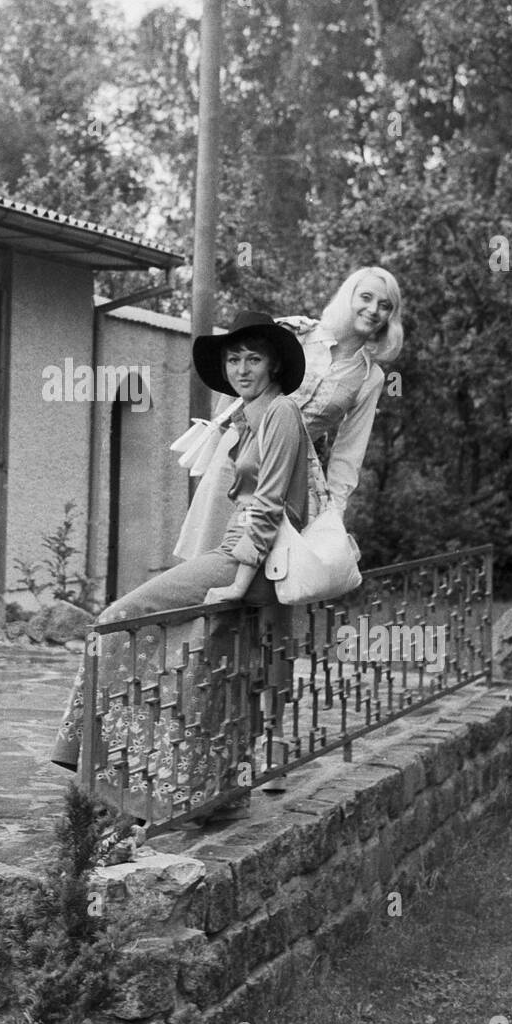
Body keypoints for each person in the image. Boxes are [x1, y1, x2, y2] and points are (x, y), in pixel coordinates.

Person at [50, 312, 309, 803]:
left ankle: (96, 759)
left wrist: (237, 583)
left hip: (250, 558)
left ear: (275, 365)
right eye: (234, 359)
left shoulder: (280, 413)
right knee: (209, 665)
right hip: (235, 549)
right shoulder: (251, 415)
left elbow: (270, 505)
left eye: (254, 358)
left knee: (117, 619)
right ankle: (195, 788)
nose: (242, 369)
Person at [174, 267, 403, 561]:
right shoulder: (298, 334)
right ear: (349, 297)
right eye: (366, 297)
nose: (373, 310)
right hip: (239, 459)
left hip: (290, 477)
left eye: (385, 306)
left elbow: (348, 456)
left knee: (267, 571)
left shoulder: (371, 377)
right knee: (210, 557)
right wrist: (222, 439)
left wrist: (332, 516)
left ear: (390, 317)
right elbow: (237, 380)